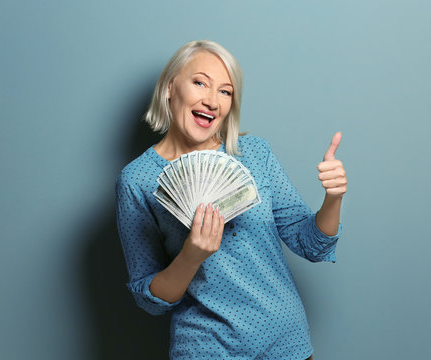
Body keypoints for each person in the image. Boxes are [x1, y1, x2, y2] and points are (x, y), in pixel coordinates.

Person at [115, 39, 347, 360]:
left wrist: (333, 198)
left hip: (285, 341)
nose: (212, 101)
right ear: (170, 88)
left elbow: (310, 242)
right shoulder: (137, 179)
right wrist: (190, 256)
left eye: (225, 91)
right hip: (206, 347)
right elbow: (150, 299)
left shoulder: (254, 153)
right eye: (200, 83)